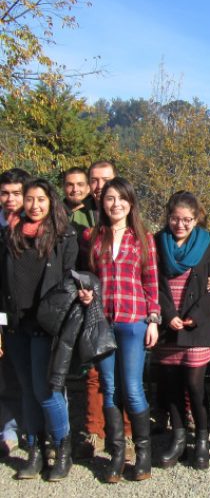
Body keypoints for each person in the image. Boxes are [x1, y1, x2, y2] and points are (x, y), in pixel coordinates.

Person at [78, 177, 160, 482]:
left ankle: (143, 457)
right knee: (109, 388)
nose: (115, 204)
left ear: (130, 202)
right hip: (102, 321)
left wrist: (153, 319)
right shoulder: (94, 237)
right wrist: (86, 293)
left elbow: (152, 282)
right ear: (102, 202)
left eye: (121, 198)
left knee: (133, 388)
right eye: (110, 198)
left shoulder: (143, 238)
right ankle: (115, 455)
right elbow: (89, 277)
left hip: (133, 320)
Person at [0, 178, 78, 481]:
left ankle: (62, 450)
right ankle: (35, 450)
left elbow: (72, 277)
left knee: (46, 391)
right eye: (29, 199)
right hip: (16, 324)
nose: (34, 206)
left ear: (51, 202)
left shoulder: (64, 235)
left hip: (48, 324)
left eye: (41, 200)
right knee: (27, 392)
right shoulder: (10, 235)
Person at [154, 191, 210, 470]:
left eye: (186, 220)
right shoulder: (158, 242)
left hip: (197, 326)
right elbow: (153, 281)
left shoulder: (207, 244)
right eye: (174, 218)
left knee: (194, 385)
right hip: (168, 326)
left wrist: (195, 315)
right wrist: (168, 315)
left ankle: (202, 440)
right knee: (170, 386)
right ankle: (178, 438)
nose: (179, 225)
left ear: (196, 219)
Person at [75, 160, 132, 460]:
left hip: (125, 310)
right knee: (95, 372)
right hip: (94, 309)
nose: (98, 187)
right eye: (94, 181)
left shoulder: (127, 216)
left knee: (124, 373)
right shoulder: (80, 221)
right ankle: (94, 432)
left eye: (105, 181)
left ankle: (125, 434)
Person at [0, 168, 30, 457]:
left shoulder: (36, 225)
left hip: (30, 314)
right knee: (5, 371)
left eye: (16, 193)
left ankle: (33, 429)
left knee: (32, 374)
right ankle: (8, 430)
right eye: (5, 193)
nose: (10, 199)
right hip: (2, 312)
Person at [62, 167, 97, 232]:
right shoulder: (55, 214)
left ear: (88, 188)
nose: (75, 189)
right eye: (70, 185)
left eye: (80, 184)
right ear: (64, 188)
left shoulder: (98, 212)